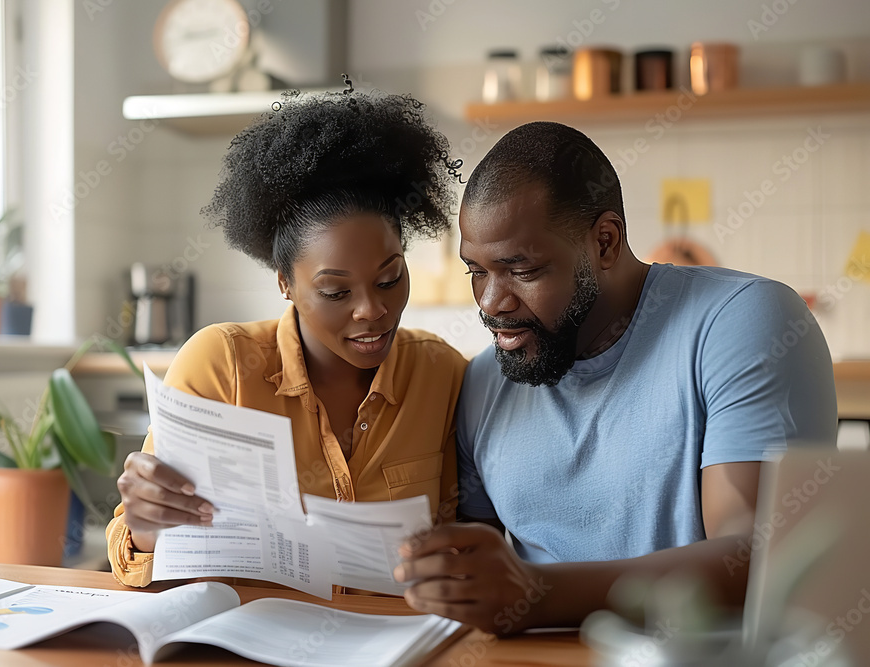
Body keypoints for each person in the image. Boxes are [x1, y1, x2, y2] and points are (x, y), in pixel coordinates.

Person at [393, 121, 838, 633]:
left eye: (523, 269)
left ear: (604, 242)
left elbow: (755, 558)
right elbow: (480, 575)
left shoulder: (742, 320)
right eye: (477, 271)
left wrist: (538, 596)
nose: (492, 303)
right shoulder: (485, 381)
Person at [106, 84, 467, 588]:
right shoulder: (222, 366)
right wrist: (145, 526)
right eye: (336, 292)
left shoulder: (442, 375)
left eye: (389, 279)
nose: (373, 310)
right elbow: (137, 560)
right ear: (285, 282)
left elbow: (465, 537)